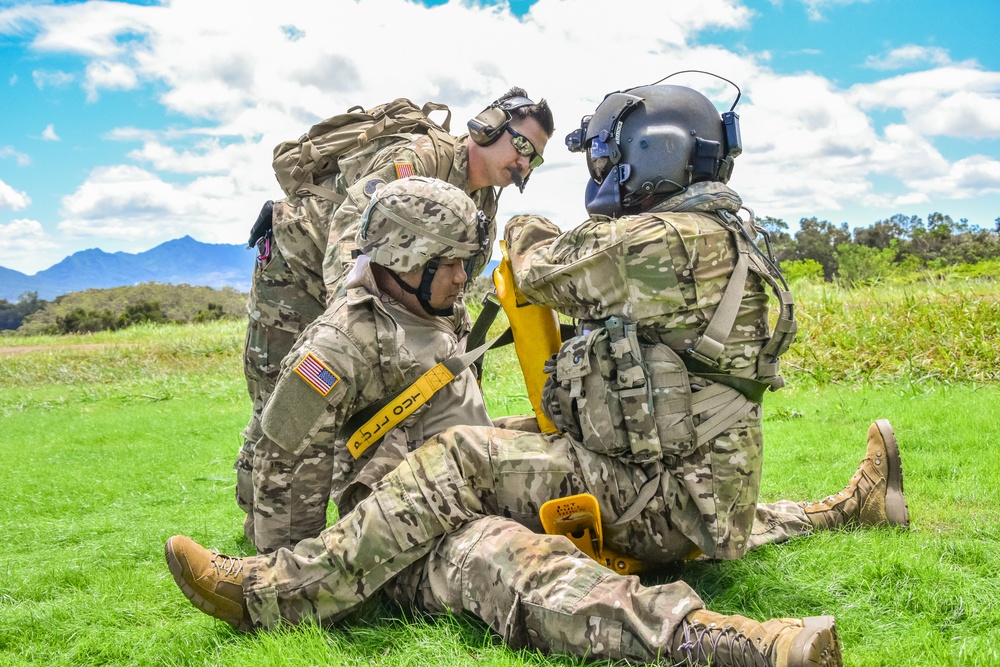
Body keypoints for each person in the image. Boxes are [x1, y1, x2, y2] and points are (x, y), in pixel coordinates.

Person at [166, 83, 910, 667]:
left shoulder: (667, 242)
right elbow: (285, 452)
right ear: (407, 257)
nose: (467, 276)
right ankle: (838, 521)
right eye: (453, 262)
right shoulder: (349, 332)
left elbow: (544, 266)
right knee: (501, 528)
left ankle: (731, 639)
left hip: (646, 493)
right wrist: (280, 539)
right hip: (683, 491)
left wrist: (516, 241)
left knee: (481, 486)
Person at [237, 89, 554, 547]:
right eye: (523, 146)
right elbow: (352, 233)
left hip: (354, 274)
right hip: (298, 264)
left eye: (536, 159)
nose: (525, 164)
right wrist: (354, 330)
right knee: (283, 398)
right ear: (487, 126)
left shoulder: (483, 199)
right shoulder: (420, 158)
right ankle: (262, 530)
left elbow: (448, 282)